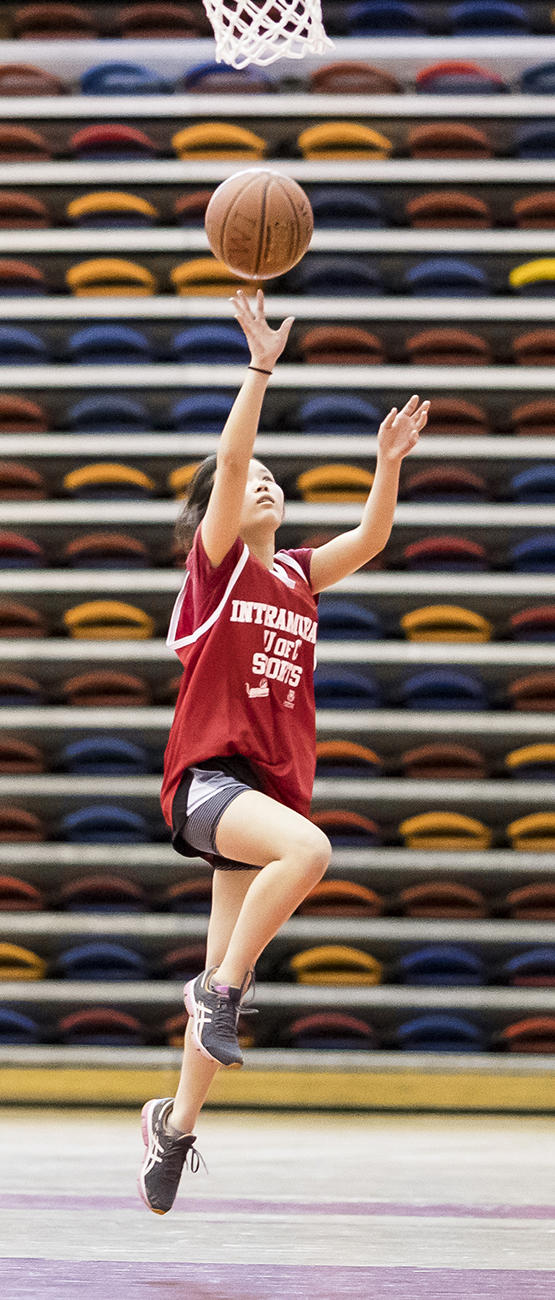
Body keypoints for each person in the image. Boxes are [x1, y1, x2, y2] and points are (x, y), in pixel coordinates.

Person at [138, 289, 429, 1214]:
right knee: (308, 851)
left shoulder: (299, 571)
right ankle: (215, 992)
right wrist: (259, 367)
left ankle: (173, 1128)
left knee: (235, 967)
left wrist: (385, 465)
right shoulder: (217, 568)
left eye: (273, 474)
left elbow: (373, 538)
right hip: (206, 783)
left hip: (252, 792)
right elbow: (229, 458)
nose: (262, 480)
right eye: (248, 476)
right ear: (216, 510)